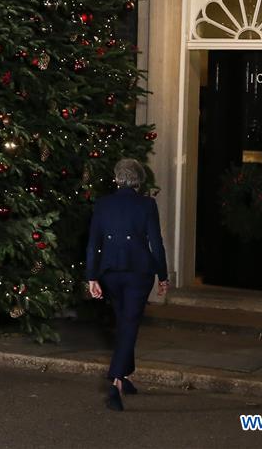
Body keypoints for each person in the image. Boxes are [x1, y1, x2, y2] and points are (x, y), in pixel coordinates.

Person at [86, 158, 169, 411]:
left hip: (110, 272)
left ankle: (127, 375)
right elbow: (156, 242)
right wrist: (163, 276)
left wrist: (92, 277)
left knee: (124, 321)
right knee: (130, 323)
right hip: (138, 272)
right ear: (139, 181)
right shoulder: (147, 205)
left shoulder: (103, 204)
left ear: (117, 178)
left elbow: (93, 243)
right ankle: (116, 381)